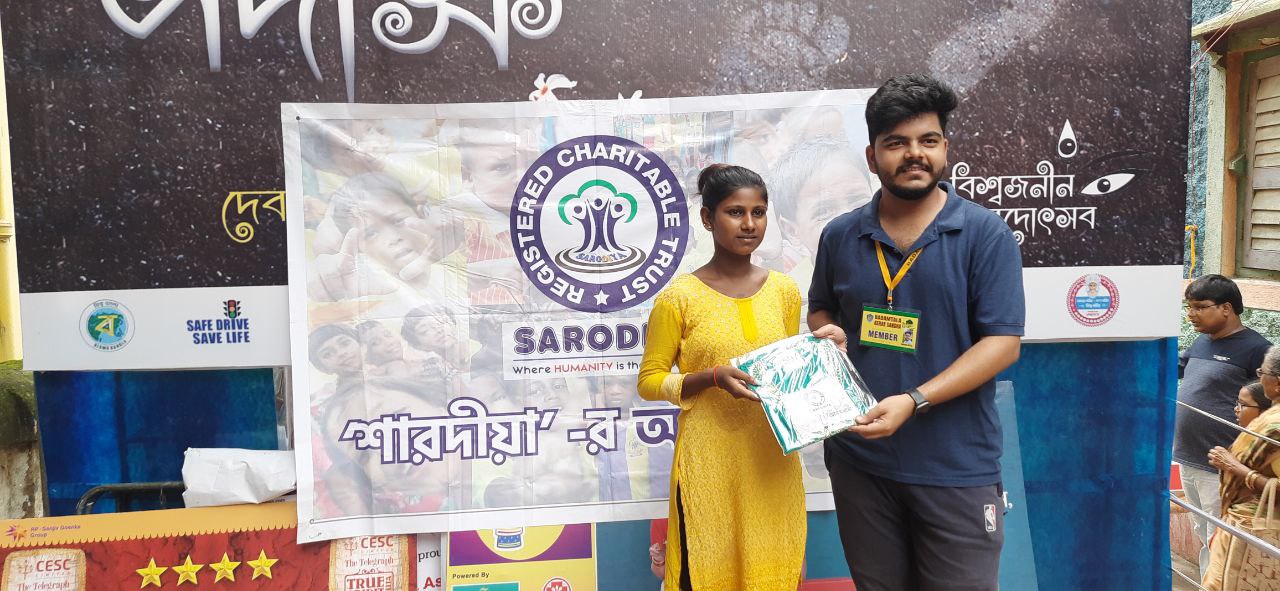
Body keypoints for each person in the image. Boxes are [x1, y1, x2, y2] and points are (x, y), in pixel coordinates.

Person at [806, 74, 1024, 590]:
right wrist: (828, 334)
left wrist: (915, 400)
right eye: (896, 143)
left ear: (945, 149)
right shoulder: (840, 234)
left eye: (928, 140)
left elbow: (1002, 344)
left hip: (955, 465)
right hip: (861, 463)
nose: (914, 154)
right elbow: (820, 309)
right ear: (872, 156)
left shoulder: (984, 234)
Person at [637, 163, 805, 590]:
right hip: (707, 464)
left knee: (773, 572)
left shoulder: (784, 291)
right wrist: (709, 377)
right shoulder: (679, 298)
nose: (749, 224)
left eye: (758, 212)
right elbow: (650, 381)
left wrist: (820, 361)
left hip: (772, 459)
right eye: (735, 212)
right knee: (707, 573)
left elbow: (785, 376)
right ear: (708, 218)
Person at [1176, 274, 1272, 580]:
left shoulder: (1258, 350)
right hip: (1190, 457)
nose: (1191, 314)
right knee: (1204, 533)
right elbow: (1178, 369)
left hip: (1224, 463)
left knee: (1222, 537)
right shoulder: (1201, 342)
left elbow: (1268, 409)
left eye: (1200, 307)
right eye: (1189, 307)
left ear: (1226, 308)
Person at [1204, 348, 1280, 590]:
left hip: (1257, 532)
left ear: (1278, 383)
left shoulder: (1275, 426)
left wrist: (1234, 467)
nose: (1260, 378)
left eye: (1262, 373)